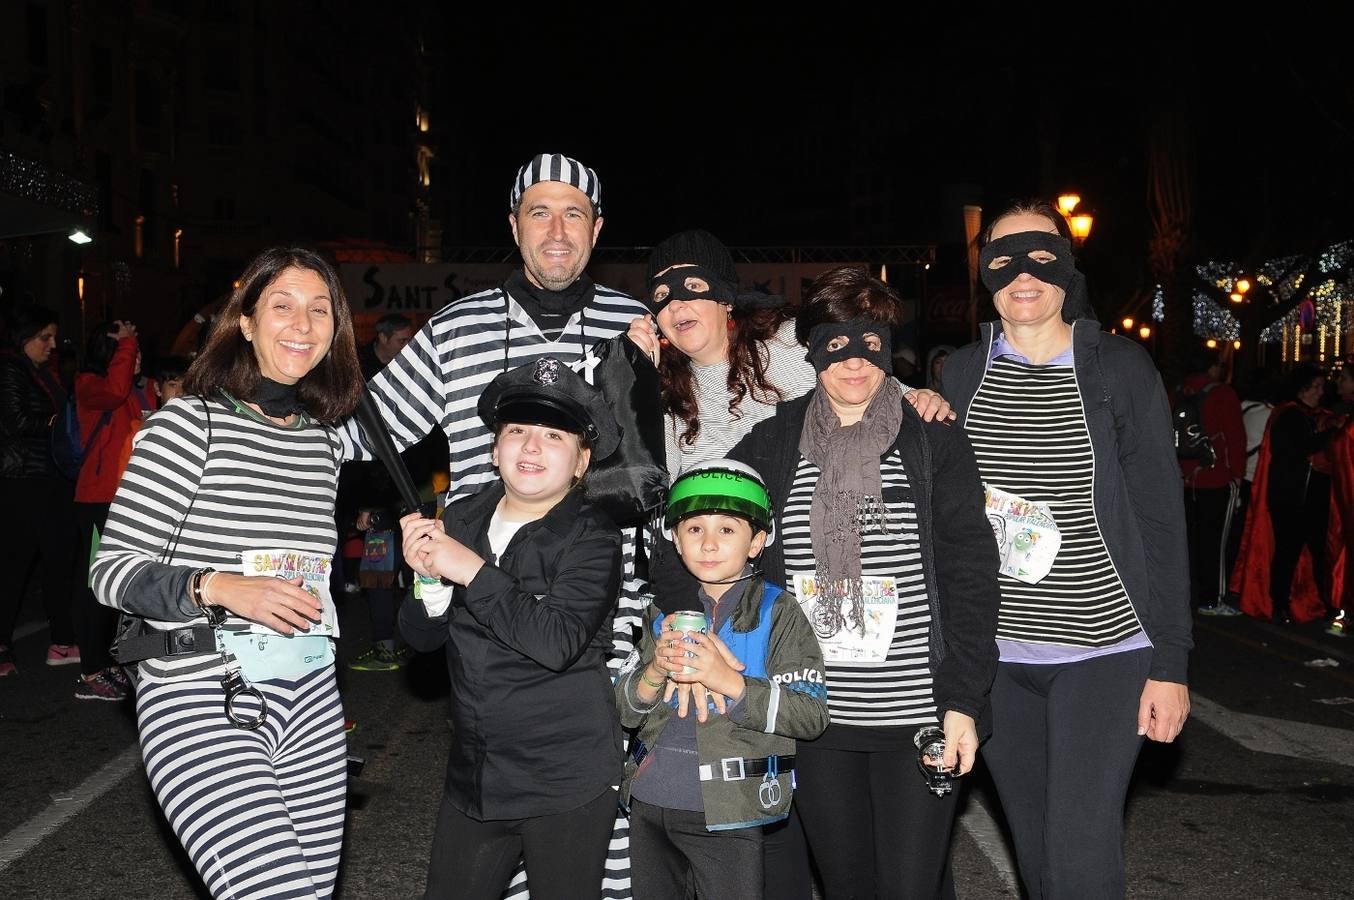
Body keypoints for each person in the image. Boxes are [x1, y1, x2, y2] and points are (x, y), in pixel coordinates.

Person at [336, 153, 648, 898]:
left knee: (598, 848)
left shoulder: (633, 330)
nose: (557, 228)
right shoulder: (455, 327)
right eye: (539, 211)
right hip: (482, 602)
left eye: (575, 213)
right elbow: (355, 431)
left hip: (605, 599)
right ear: (513, 226)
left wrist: (899, 388)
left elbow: (729, 386)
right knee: (493, 813)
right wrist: (246, 412)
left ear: (597, 229)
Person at [624, 229, 952, 899]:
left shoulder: (786, 357)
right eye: (661, 295)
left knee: (902, 849)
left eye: (693, 286)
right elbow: (660, 524)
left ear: (726, 300)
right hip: (738, 625)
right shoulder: (657, 395)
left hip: (823, 617)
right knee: (782, 836)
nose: (677, 302)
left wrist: (916, 395)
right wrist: (692, 627)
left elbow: (858, 371)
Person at [91, 247, 364, 899]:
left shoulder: (324, 441)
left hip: (311, 700)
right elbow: (111, 571)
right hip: (200, 694)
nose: (302, 323)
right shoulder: (190, 423)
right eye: (282, 306)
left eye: (319, 309)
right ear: (245, 321)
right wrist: (217, 586)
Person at [725, 266, 1001, 899]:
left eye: (869, 345)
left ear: (888, 349)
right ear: (813, 352)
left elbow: (970, 575)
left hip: (917, 719)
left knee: (911, 887)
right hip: (818, 719)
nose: (852, 363)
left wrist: (964, 703)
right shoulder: (773, 443)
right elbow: (712, 534)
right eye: (834, 346)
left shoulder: (931, 438)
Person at [943, 201, 1191, 899]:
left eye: (1041, 253)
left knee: (1080, 859)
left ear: (1069, 268)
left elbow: (1162, 519)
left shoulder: (1116, 365)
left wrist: (1170, 662)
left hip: (1104, 651)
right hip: (998, 660)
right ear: (984, 272)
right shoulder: (961, 373)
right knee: (1041, 864)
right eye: (1003, 254)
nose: (1024, 272)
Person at [399, 357, 624, 900]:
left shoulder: (594, 534)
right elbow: (421, 638)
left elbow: (557, 641)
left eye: (553, 435)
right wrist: (428, 579)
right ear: (495, 448)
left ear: (581, 460)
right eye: (516, 431)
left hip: (565, 778)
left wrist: (468, 570)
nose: (529, 447)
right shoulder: (461, 517)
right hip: (475, 776)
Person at [617, 460, 828, 900]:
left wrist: (728, 682)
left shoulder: (777, 611)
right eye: (694, 529)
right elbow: (623, 709)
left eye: (727, 530)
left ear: (758, 542)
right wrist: (655, 671)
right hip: (650, 802)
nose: (709, 544)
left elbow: (810, 715)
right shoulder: (662, 612)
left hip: (729, 812)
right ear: (675, 540)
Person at [71, 319, 158, 700]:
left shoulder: (137, 392)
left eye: (137, 354)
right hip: (98, 498)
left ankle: (114, 660)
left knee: (129, 582)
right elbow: (115, 388)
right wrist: (127, 342)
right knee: (97, 585)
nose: (135, 358)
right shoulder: (91, 386)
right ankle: (90, 671)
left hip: (128, 498)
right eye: (128, 354)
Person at [0, 303, 78, 677]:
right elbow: (14, 420)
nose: (52, 344)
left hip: (46, 479)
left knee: (57, 558)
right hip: (22, 481)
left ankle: (62, 640)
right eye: (44, 337)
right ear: (24, 337)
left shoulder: (40, 373)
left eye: (53, 337)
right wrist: (61, 422)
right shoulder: (11, 368)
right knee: (17, 565)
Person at [1232, 364, 1340, 625]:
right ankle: (1279, 603)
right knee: (1288, 553)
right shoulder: (1290, 415)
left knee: (1311, 552)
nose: (1319, 391)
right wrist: (1331, 433)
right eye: (1315, 386)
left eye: (1321, 387)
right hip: (1290, 497)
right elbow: (1301, 448)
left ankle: (1316, 602)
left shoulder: (1306, 414)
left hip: (1305, 497)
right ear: (1302, 388)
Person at [344, 312, 417, 672]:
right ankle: (384, 644)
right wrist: (365, 503)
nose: (408, 346)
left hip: (412, 491)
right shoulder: (356, 372)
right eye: (402, 340)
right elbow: (358, 448)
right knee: (378, 571)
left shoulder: (413, 372)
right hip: (376, 498)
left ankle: (417, 643)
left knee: (420, 568)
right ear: (383, 338)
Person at [1174, 345, 1247, 616]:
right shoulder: (1222, 394)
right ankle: (1212, 600)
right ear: (1213, 367)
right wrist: (1237, 475)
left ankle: (1188, 597)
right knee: (1216, 543)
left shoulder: (1178, 393)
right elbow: (1235, 438)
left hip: (1184, 479)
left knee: (1189, 542)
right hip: (1216, 478)